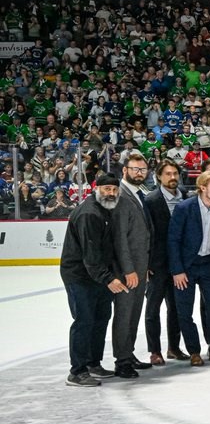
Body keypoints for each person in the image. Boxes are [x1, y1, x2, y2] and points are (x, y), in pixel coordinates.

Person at [61, 174, 122, 387]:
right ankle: (77, 371)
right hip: (80, 276)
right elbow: (90, 256)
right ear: (96, 189)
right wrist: (109, 279)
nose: (111, 193)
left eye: (114, 190)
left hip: (97, 276)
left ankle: (92, 363)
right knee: (84, 321)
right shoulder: (89, 214)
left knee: (101, 318)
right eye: (106, 189)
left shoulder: (105, 211)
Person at [167, 170, 210, 365]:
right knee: (184, 310)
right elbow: (173, 240)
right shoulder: (185, 208)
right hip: (186, 266)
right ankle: (193, 350)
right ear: (202, 188)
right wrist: (177, 270)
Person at [110, 152, 154, 378]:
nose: (139, 173)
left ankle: (129, 353)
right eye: (135, 169)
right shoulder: (121, 195)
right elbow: (120, 239)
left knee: (134, 313)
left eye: (143, 169)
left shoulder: (139, 193)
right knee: (125, 314)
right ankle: (122, 360)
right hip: (127, 270)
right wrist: (128, 270)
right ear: (124, 170)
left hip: (139, 267)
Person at [142, 160, 184, 365]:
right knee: (153, 309)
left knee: (176, 308)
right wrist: (146, 263)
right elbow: (146, 234)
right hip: (157, 265)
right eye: (167, 174)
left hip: (179, 264)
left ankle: (174, 348)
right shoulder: (150, 200)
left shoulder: (185, 196)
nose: (172, 177)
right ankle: (155, 350)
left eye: (175, 173)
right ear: (159, 176)